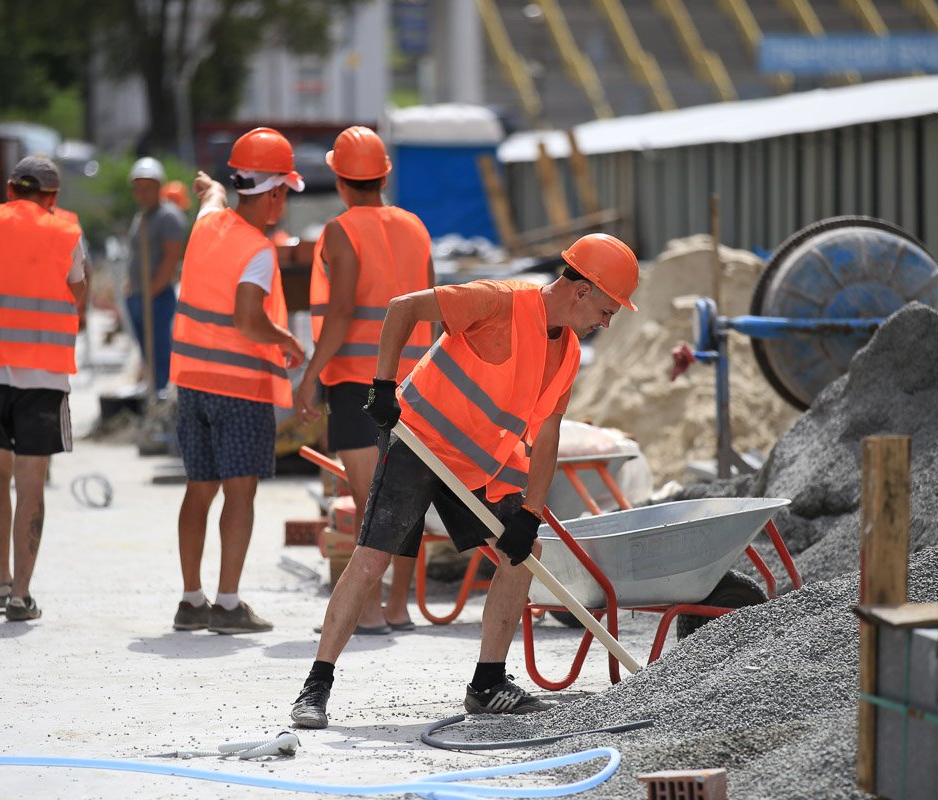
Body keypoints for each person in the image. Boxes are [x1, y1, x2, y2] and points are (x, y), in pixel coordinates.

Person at [289, 233, 639, 728]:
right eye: (608, 308)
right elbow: (403, 308)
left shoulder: (569, 354)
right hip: (419, 442)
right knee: (371, 559)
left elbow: (549, 432)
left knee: (523, 553)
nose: (608, 320)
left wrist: (532, 514)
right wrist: (384, 385)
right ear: (582, 291)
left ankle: (488, 683)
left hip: (479, 469)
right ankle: (315, 687)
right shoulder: (500, 301)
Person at [294, 126, 434, 634]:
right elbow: (435, 310)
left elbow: (341, 311)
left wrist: (310, 375)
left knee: (370, 497)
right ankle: (398, 607)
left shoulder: (339, 231)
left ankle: (370, 613)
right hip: (415, 380)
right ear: (383, 175)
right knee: (407, 493)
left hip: (357, 382)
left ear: (339, 177)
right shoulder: (415, 227)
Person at [168, 127, 307, 634]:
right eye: (284, 193)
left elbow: (212, 201)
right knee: (240, 494)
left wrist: (212, 189)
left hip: (192, 382)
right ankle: (227, 605)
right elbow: (249, 319)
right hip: (240, 388)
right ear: (271, 194)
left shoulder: (206, 227)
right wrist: (287, 342)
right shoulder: (259, 250)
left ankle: (190, 601)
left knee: (198, 489)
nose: (285, 202)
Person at [0, 155, 89, 622]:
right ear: (51, 197)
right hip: (45, 374)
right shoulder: (67, 230)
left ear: (11, 189)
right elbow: (79, 292)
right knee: (31, 480)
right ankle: (21, 596)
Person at [126, 156, 186, 395]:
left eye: (147, 188)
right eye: (138, 189)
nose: (142, 194)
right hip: (139, 296)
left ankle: (162, 397)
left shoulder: (168, 217)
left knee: (160, 351)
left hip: (157, 298)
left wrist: (152, 291)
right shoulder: (141, 216)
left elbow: (171, 259)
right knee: (146, 353)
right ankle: (152, 392)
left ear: (159, 188)